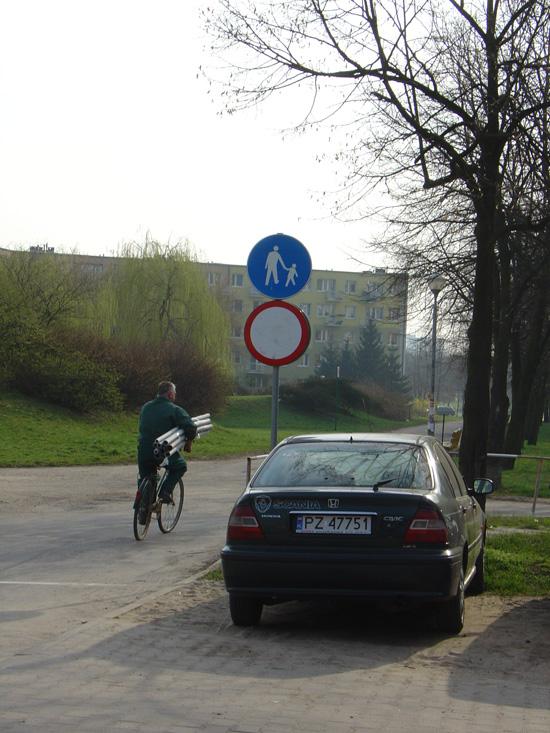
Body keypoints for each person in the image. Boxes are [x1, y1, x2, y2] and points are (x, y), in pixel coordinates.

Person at [137, 381, 197, 506]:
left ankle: (143, 508)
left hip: (143, 451)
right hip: (162, 451)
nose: (175, 396)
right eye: (174, 393)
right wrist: (188, 443)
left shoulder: (145, 407)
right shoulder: (174, 409)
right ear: (170, 395)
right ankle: (165, 492)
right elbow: (191, 428)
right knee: (180, 466)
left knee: (146, 476)